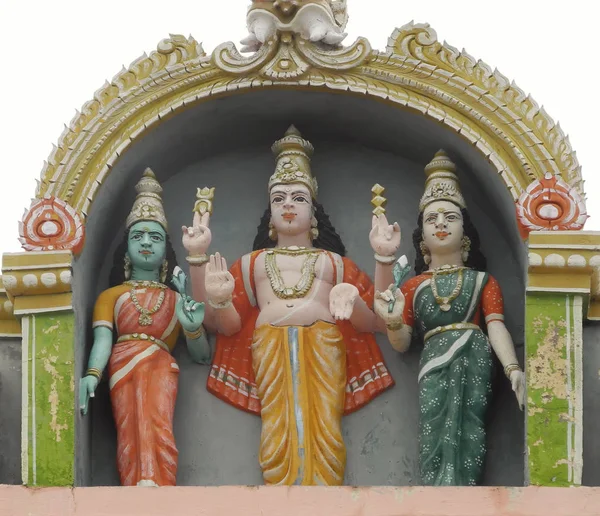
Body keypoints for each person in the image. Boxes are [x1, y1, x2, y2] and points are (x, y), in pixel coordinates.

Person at [182, 126, 398, 485]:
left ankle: (325, 497)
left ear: (314, 214)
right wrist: (199, 264)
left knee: (325, 426)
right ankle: (281, 495)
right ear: (269, 213)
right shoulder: (252, 263)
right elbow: (226, 325)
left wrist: (382, 261)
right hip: (269, 347)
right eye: (279, 198)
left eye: (298, 198)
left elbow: (376, 319)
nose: (287, 205)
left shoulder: (333, 263)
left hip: (325, 347)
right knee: (277, 424)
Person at [374, 150, 526, 486]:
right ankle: (437, 491)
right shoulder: (412, 286)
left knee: (469, 423)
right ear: (422, 239)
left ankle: (464, 490)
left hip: (474, 355)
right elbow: (400, 344)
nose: (440, 224)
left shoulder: (483, 281)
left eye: (449, 217)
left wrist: (513, 368)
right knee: (434, 424)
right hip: (433, 360)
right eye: (432, 219)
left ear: (465, 232)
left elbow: (496, 326)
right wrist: (395, 321)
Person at [79, 169, 210, 486]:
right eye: (138, 237)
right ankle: (135, 483)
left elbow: (202, 355)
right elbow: (101, 341)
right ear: (126, 249)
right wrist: (91, 375)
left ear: (166, 247)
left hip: (161, 365)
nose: (147, 243)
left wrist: (192, 328)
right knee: (130, 426)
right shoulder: (111, 296)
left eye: (154, 237)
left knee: (158, 423)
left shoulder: (175, 297)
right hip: (122, 365)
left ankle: (159, 482)